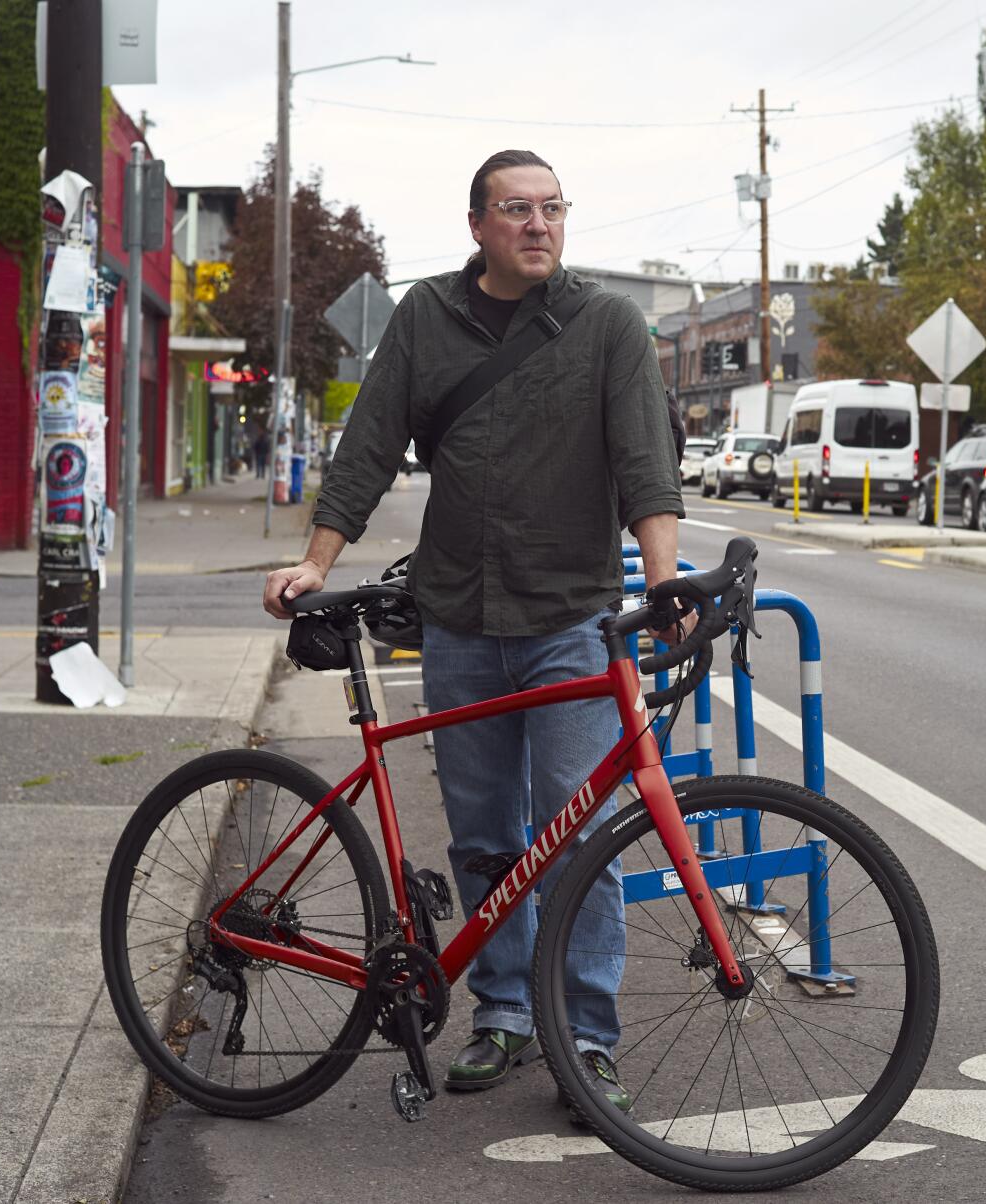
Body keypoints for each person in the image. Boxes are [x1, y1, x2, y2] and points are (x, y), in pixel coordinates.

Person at [262, 149, 685, 1117]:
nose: (538, 224)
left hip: (570, 620)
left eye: (551, 208)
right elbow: (367, 444)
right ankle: (503, 1014)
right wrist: (316, 562)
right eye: (516, 210)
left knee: (576, 840)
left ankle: (584, 1038)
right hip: (455, 621)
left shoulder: (607, 324)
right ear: (477, 225)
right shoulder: (425, 318)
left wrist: (661, 582)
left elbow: (642, 462)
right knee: (486, 840)